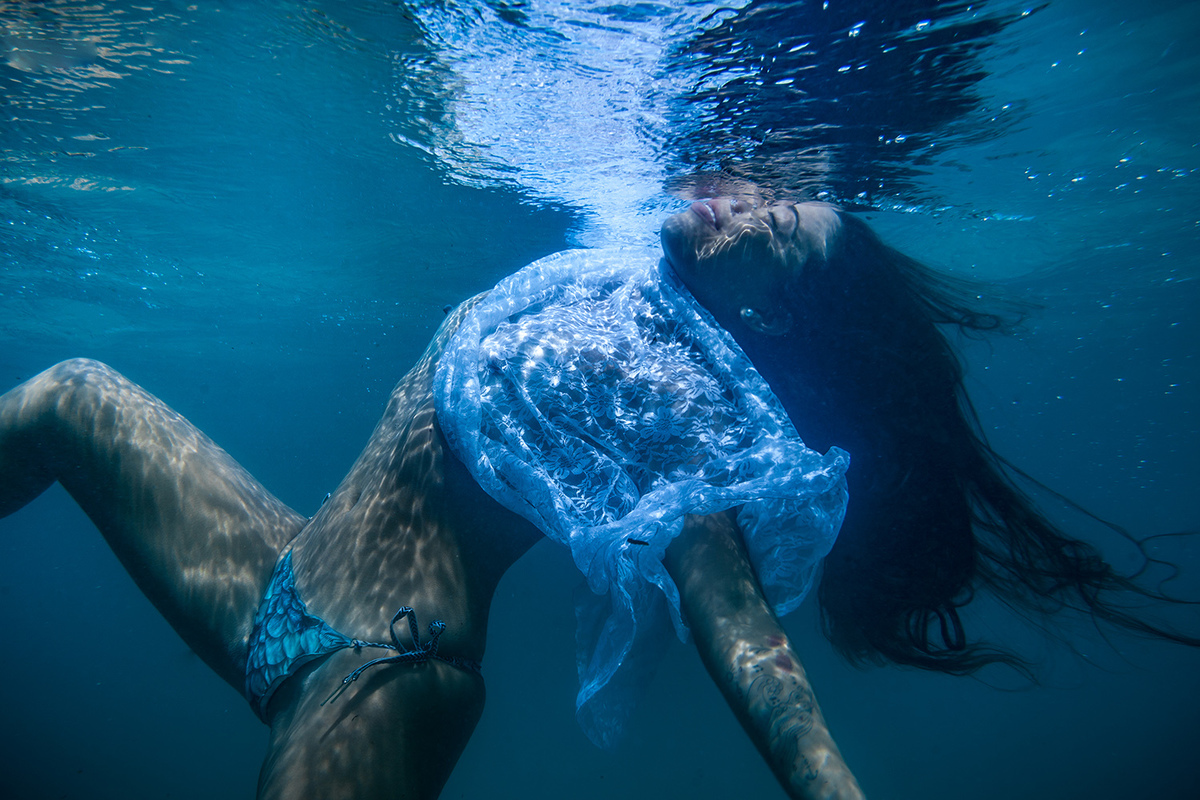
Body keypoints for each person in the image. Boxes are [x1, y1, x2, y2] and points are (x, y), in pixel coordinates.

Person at [0, 199, 1192, 800]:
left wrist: (830, 788)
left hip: (378, 674)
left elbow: (742, 633)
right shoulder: (629, 257)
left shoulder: (688, 417)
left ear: (771, 312)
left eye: (773, 226)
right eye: (769, 193)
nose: (741, 201)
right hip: (279, 568)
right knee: (69, 394)